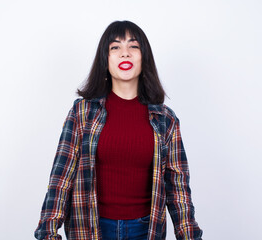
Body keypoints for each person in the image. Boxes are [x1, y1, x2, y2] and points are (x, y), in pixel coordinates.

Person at [34, 20, 203, 240]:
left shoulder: (166, 119)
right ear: (105, 59)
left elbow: (178, 190)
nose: (125, 54)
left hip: (145, 230)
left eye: (133, 46)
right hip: (90, 230)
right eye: (115, 47)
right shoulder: (82, 112)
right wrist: (48, 232)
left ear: (145, 58)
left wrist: (190, 235)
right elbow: (61, 179)